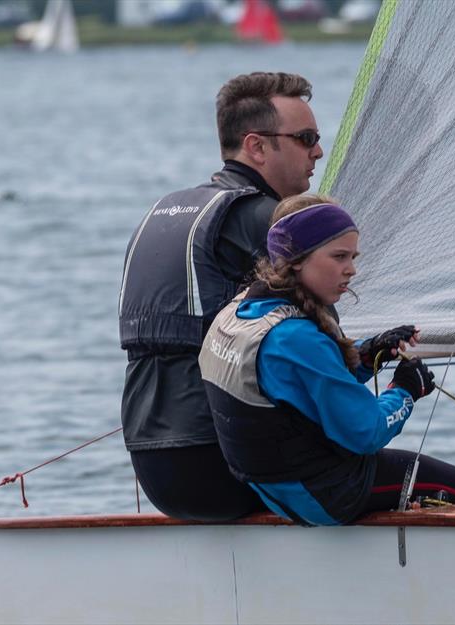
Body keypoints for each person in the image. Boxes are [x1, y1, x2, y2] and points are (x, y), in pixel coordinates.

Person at [200, 194, 455, 526]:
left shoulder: (240, 312)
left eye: (353, 257)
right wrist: (405, 390)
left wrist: (368, 352)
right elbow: (365, 431)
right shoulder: (296, 339)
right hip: (328, 494)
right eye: (339, 256)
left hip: (277, 491)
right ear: (297, 259)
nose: (351, 270)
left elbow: (304, 379)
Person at [118, 72, 323, 521]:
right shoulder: (271, 220)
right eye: (306, 138)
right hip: (227, 467)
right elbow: (323, 353)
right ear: (256, 147)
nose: (318, 151)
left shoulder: (168, 210)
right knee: (450, 483)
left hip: (156, 471)